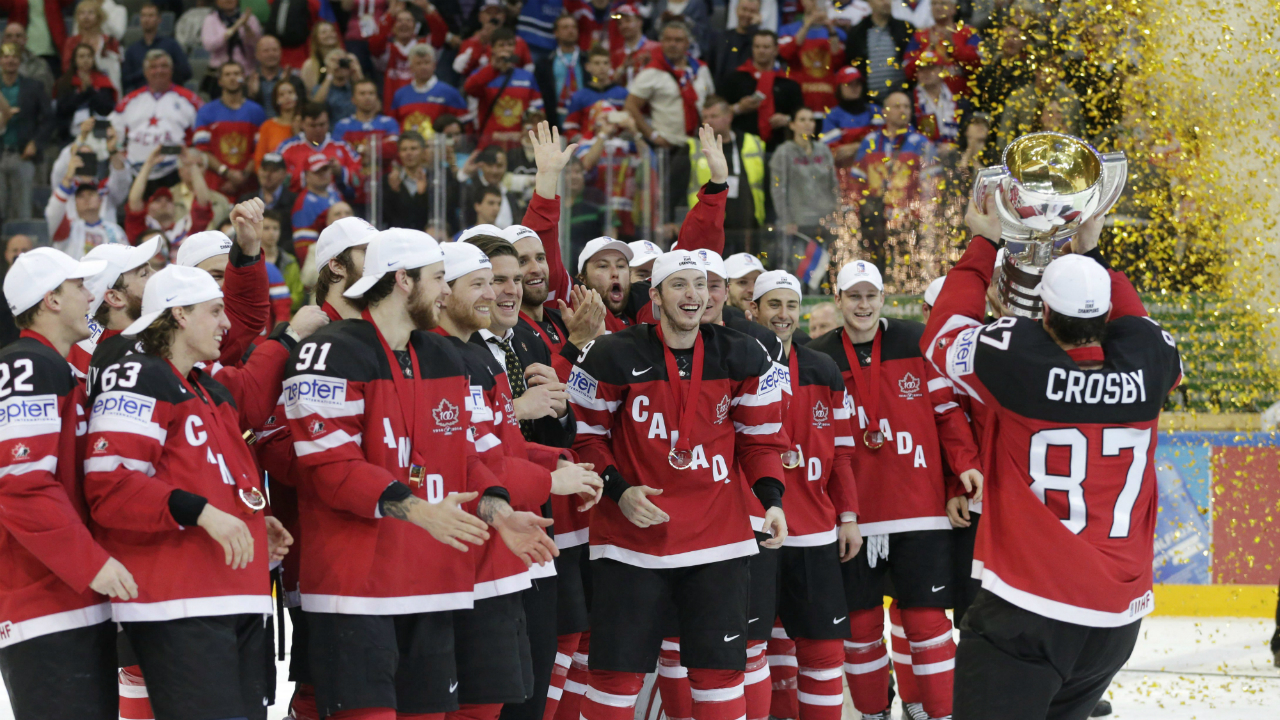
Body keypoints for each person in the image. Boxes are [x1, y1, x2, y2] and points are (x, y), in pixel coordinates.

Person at [281, 227, 557, 719]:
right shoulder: (328, 352)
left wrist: (499, 511)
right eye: (438, 279)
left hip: (429, 584)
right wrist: (416, 510)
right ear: (403, 280)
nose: (447, 292)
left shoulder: (444, 356)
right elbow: (331, 468)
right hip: (356, 591)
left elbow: (464, 457)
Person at [925, 198, 1181, 720]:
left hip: (1030, 608)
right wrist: (1096, 254)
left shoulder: (1021, 361)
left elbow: (942, 336)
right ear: (1106, 310)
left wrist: (983, 243)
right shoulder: (1149, 359)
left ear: (1043, 312)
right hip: (1115, 623)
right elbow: (1139, 324)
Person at [567, 249, 788, 720]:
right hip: (631, 541)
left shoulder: (743, 353)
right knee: (615, 674)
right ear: (656, 295)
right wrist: (619, 490)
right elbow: (586, 442)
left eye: (702, 284)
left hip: (717, 543)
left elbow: (760, 441)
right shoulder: (612, 354)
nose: (694, 295)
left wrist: (772, 499)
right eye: (680, 285)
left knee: (719, 672)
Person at [81, 251, 294, 720]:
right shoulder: (138, 377)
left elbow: (215, 478)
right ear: (178, 314)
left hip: (234, 592)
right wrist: (198, 511)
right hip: (178, 604)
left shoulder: (208, 388)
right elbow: (110, 485)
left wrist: (255, 520)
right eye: (214, 311)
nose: (225, 325)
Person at [807, 260, 981, 720]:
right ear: (838, 299)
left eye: (871, 295)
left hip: (919, 510)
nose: (863, 304)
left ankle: (940, 714)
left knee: (926, 623)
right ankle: (872, 713)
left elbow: (947, 415)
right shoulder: (819, 356)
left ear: (883, 298)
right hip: (852, 517)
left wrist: (959, 473)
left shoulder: (915, 342)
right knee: (861, 627)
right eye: (854, 296)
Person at [0, 247, 137, 720]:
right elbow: (21, 487)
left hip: (71, 601)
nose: (89, 296)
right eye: (79, 287)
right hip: (44, 602)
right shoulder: (29, 367)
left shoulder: (54, 368)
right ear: (50, 301)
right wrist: (91, 563)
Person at [748, 270, 861, 720]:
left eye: (791, 305)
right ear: (753, 310)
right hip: (755, 528)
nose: (783, 314)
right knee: (756, 647)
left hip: (815, 529)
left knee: (823, 649)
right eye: (773, 305)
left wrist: (848, 514)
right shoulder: (739, 361)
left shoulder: (823, 369)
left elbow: (844, 453)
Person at [624, 19, 711, 211]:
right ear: (661, 42)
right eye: (668, 39)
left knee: (701, 201)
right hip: (669, 148)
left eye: (678, 40)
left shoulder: (700, 69)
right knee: (668, 204)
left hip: (698, 147)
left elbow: (711, 102)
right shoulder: (652, 72)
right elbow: (630, 105)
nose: (673, 44)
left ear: (688, 43)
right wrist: (652, 135)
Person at [850, 89, 934, 267]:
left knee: (906, 269)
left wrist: (923, 214)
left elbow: (932, 185)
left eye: (906, 106)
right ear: (884, 112)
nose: (903, 110)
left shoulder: (921, 143)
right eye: (897, 106)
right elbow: (856, 183)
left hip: (909, 220)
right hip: (875, 221)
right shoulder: (870, 142)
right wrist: (858, 211)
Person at [114, 49, 202, 184]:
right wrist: (117, 150)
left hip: (174, 173)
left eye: (164, 66)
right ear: (145, 72)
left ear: (171, 70)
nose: (159, 71)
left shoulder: (190, 100)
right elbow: (113, 132)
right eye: (153, 67)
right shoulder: (129, 101)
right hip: (134, 172)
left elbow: (202, 138)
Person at [770, 106, 838, 274]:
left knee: (824, 272)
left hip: (823, 221)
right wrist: (786, 219)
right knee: (800, 271)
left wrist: (836, 214)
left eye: (811, 120)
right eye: (802, 120)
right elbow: (778, 189)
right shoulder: (783, 152)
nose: (808, 124)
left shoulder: (823, 150)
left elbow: (834, 185)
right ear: (792, 125)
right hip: (797, 224)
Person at [688, 96, 765, 244]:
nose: (708, 121)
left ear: (729, 117)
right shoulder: (693, 147)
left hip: (748, 225)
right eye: (705, 117)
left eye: (714, 116)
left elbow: (766, 183)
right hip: (706, 226)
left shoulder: (751, 143)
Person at [124, 147, 215, 258]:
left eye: (168, 200)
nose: (163, 203)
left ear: (175, 208)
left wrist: (192, 166)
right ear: (147, 208)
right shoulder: (141, 230)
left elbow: (203, 204)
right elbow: (134, 202)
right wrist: (148, 164)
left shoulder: (187, 228)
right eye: (157, 200)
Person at [194, 61, 267, 197]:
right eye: (227, 74)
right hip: (215, 187)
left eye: (236, 74)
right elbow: (201, 150)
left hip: (249, 187)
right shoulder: (205, 112)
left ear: (243, 79)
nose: (232, 78)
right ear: (220, 81)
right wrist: (226, 173)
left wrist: (243, 175)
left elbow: (260, 148)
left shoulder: (257, 111)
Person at [721, 29, 803, 149]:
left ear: (776, 50)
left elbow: (801, 114)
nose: (761, 51)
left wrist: (787, 119)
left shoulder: (789, 82)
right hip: (741, 146)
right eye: (757, 47)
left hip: (780, 146)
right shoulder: (735, 78)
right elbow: (717, 111)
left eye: (766, 47)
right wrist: (739, 108)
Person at [464, 27, 543, 150]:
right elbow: (469, 88)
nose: (506, 49)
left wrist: (528, 130)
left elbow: (538, 110)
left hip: (519, 144)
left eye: (510, 45)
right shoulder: (482, 74)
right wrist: (492, 69)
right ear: (492, 48)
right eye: (501, 45)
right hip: (489, 143)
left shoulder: (527, 77)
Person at [0, 42, 51, 222]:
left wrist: (36, 143)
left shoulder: (33, 86)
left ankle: (21, 248)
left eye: (14, 56)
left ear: (20, 61)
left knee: (23, 210)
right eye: (6, 56)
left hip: (22, 154)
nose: (10, 60)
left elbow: (48, 118)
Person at [277, 102, 364, 199]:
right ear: (302, 124)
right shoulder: (287, 148)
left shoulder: (342, 146)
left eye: (322, 124)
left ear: (328, 123)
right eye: (313, 126)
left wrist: (340, 171)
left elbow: (360, 174)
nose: (318, 130)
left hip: (338, 205)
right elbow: (278, 177)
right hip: (298, 203)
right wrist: (307, 174)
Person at [47, 153, 127, 259]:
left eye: (91, 194)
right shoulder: (69, 229)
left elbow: (127, 259)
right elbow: (53, 213)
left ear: (100, 200)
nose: (86, 198)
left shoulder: (115, 230)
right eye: (80, 196)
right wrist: (67, 179)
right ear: (75, 204)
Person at [776, 0, 845, 119]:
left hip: (829, 101)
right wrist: (807, 25)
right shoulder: (787, 30)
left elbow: (839, 61)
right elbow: (786, 54)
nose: (814, 2)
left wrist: (830, 28)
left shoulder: (837, 33)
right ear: (802, 2)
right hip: (799, 101)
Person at [903, 0, 980, 98]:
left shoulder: (968, 33)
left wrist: (953, 48)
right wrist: (928, 50)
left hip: (961, 99)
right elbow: (908, 71)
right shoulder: (919, 36)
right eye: (934, 4)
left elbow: (977, 64)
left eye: (943, 3)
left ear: (954, 8)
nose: (937, 7)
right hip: (926, 101)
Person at [384, 130, 458, 231]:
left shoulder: (437, 177)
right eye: (404, 149)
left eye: (413, 148)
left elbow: (448, 207)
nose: (408, 153)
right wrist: (394, 192)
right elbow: (387, 216)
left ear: (423, 151)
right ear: (399, 153)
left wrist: (422, 194)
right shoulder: (389, 180)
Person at [844, 0, 912, 103]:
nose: (886, 2)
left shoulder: (905, 29)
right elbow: (852, 65)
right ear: (869, 2)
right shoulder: (857, 33)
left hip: (900, 100)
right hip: (867, 102)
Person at [390, 44, 467, 134]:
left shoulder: (450, 93)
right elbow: (393, 126)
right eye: (418, 63)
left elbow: (463, 126)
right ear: (411, 67)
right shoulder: (400, 95)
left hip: (439, 146)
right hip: (409, 146)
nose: (423, 67)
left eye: (426, 62)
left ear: (434, 65)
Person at [332, 77, 399, 176]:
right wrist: (377, 148)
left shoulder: (389, 123)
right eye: (362, 94)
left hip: (383, 178)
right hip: (353, 180)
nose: (367, 97)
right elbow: (338, 155)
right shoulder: (342, 126)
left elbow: (393, 150)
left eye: (371, 93)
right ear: (353, 99)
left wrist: (360, 149)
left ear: (376, 97)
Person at [121, 2, 192, 93]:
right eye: (144, 16)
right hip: (140, 96)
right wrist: (144, 72)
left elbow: (186, 72)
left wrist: (162, 71)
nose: (147, 19)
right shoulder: (132, 50)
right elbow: (125, 80)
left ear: (159, 19)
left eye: (151, 16)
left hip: (168, 94)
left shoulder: (171, 45)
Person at [562, 45, 628, 140]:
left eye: (605, 63)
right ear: (588, 67)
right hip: (588, 149)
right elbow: (570, 128)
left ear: (610, 66)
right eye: (597, 63)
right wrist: (581, 142)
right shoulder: (579, 96)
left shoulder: (623, 94)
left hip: (617, 148)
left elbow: (629, 124)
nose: (602, 67)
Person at [52, 43, 115, 140]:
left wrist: (90, 89)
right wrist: (82, 94)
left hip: (98, 133)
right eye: (81, 56)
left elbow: (106, 108)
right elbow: (62, 109)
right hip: (70, 135)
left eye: (89, 56)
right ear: (75, 60)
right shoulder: (65, 82)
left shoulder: (102, 80)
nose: (86, 60)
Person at [819, 66, 881, 164]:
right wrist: (867, 146)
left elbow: (884, 142)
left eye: (857, 84)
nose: (854, 88)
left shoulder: (875, 111)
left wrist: (856, 146)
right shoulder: (831, 116)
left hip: (874, 166)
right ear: (839, 88)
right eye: (849, 84)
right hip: (843, 171)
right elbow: (831, 152)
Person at [533, 13, 584, 130]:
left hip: (584, 120)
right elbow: (540, 92)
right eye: (565, 27)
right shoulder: (545, 63)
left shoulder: (588, 59)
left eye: (574, 27)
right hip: (554, 120)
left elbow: (594, 81)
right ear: (556, 33)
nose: (570, 31)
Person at [290, 153, 343, 260]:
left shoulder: (335, 194)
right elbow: (304, 250)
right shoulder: (304, 205)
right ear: (306, 176)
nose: (323, 174)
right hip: (327, 262)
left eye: (325, 169)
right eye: (317, 171)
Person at [62, 0, 121, 91]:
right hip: (77, 86)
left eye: (90, 12)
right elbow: (66, 67)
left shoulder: (109, 41)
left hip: (105, 86)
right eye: (82, 13)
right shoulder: (71, 42)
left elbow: (117, 67)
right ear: (77, 17)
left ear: (99, 16)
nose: (86, 17)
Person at [245, 34, 305, 119]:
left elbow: (301, 108)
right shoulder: (249, 81)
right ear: (257, 55)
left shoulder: (294, 80)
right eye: (266, 51)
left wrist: (286, 85)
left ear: (281, 53)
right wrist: (252, 95)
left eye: (275, 50)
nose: (271, 54)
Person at [242, 152, 298, 238]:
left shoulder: (295, 202)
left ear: (284, 174)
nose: (267, 174)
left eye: (273, 170)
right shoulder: (246, 200)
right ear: (259, 171)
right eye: (264, 169)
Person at [709, 0, 760, 89]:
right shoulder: (722, 37)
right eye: (744, 9)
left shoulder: (759, 41)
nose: (747, 14)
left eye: (752, 11)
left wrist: (754, 28)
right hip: (721, 91)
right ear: (736, 10)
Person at [202, 0, 262, 74]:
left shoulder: (250, 18)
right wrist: (234, 28)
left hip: (246, 70)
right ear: (216, 1)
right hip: (220, 71)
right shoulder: (211, 19)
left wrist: (246, 27)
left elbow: (257, 44)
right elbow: (209, 45)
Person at [255, 81, 300, 169]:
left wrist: (298, 134)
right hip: (274, 177)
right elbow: (259, 160)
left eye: (290, 92)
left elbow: (316, 144)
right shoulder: (268, 126)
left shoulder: (307, 123)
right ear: (276, 100)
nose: (287, 97)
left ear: (297, 96)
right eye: (281, 95)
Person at [2, 22, 55, 95]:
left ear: (25, 39)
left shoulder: (39, 64)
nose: (14, 39)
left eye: (18, 36)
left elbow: (44, 91)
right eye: (9, 36)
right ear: (3, 40)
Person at [299, 21, 344, 96]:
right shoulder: (310, 65)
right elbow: (309, 95)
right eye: (324, 32)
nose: (329, 34)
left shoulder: (348, 58)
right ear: (316, 38)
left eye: (332, 31)